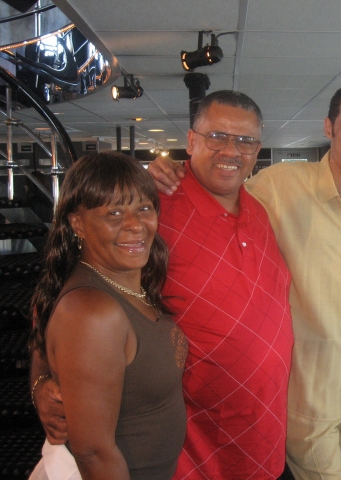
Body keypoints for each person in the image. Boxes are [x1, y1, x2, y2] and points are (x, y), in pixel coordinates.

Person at [32, 91, 294, 480]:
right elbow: (56, 301)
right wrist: (41, 383)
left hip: (263, 436)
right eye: (217, 136)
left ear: (258, 149)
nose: (231, 150)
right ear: (191, 141)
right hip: (191, 451)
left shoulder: (259, 210)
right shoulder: (157, 202)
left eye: (246, 141)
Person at [149, 84, 341, 480]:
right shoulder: (278, 187)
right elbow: (216, 182)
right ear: (329, 127)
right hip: (301, 397)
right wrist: (153, 172)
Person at [28, 152, 187, 479]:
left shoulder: (129, 281)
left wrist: (41, 380)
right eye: (113, 213)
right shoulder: (92, 312)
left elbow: (50, 347)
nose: (135, 224)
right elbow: (93, 453)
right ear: (78, 224)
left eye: (143, 208)